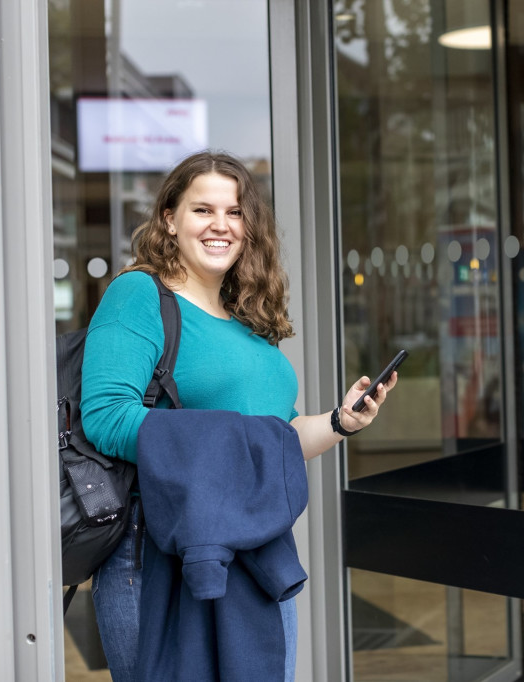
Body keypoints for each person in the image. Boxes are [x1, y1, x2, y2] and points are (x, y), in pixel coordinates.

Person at [79, 150, 398, 681]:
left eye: (234, 212)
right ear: (169, 219)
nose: (220, 225)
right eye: (202, 210)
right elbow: (107, 417)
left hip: (255, 548)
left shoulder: (247, 321)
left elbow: (276, 440)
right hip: (160, 549)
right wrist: (228, 443)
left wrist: (341, 421)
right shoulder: (139, 294)